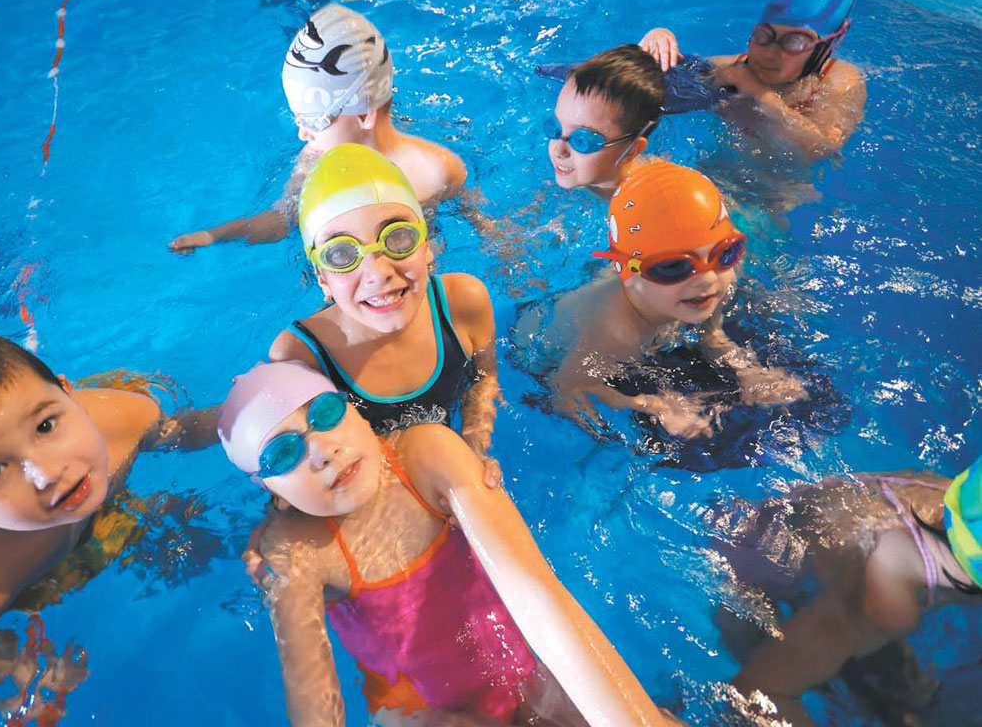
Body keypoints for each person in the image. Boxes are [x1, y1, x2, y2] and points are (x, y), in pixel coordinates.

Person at [219, 360, 673, 726]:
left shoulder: (426, 455)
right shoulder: (295, 550)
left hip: (520, 663)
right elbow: (310, 689)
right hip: (421, 706)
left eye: (325, 414)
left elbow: (535, 592)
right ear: (271, 491)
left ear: (354, 408)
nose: (321, 451)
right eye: (283, 453)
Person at [0, 318, 216, 651]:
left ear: (70, 396)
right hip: (31, 575)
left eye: (45, 426)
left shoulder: (124, 419)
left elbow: (188, 429)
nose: (48, 473)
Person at [169, 4, 466, 253]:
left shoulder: (436, 168)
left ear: (363, 115)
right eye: (298, 119)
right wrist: (214, 236)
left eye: (313, 121)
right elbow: (280, 221)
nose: (302, 134)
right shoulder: (313, 160)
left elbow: (482, 220)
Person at [713, 456, 982, 726]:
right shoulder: (889, 607)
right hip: (740, 580)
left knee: (913, 695)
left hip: (804, 549)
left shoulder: (950, 495)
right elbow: (755, 692)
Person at [269, 143, 499, 454]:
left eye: (398, 237)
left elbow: (484, 379)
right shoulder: (301, 356)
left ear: (427, 245)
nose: (377, 273)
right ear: (322, 276)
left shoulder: (463, 302)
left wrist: (475, 448)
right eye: (341, 254)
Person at [551, 160, 806, 439]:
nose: (707, 279)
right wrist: (652, 405)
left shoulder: (713, 281)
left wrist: (745, 370)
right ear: (627, 273)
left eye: (726, 253)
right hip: (556, 361)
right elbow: (565, 392)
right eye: (674, 267)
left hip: (657, 316)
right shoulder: (617, 332)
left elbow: (712, 332)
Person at [639, 0, 866, 160]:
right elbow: (639, 97)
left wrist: (759, 93)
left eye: (795, 42)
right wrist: (656, 42)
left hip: (778, 197)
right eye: (764, 35)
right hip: (715, 169)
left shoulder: (838, 80)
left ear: (823, 49)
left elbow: (820, 149)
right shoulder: (728, 69)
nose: (770, 52)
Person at [545, 45, 664, 200]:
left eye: (582, 140)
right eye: (555, 129)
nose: (558, 150)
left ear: (630, 150)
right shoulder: (582, 175)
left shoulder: (653, 198)